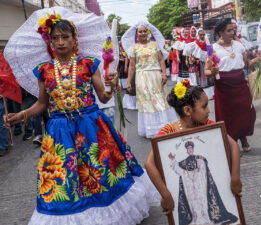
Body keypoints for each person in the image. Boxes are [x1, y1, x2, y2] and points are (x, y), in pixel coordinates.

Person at [4, 10, 159, 224]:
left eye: (65, 37)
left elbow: (104, 98)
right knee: (65, 182)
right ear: (48, 41)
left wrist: (112, 84)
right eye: (55, 38)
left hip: (91, 127)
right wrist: (20, 115)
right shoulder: (44, 70)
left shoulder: (88, 64)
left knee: (101, 174)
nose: (60, 42)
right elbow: (42, 104)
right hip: (59, 132)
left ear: (74, 39)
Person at [144, 79, 242, 217]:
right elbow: (149, 164)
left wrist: (235, 178)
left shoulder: (210, 125)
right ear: (188, 110)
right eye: (204, 106)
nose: (208, 110)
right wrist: (166, 194)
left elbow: (233, 147)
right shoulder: (168, 132)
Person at [205, 18, 256, 152]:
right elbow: (206, 71)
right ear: (221, 32)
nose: (232, 32)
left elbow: (247, 64)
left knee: (246, 112)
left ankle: (243, 138)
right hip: (223, 86)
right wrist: (212, 71)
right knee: (228, 115)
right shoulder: (212, 49)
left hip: (240, 83)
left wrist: (258, 59)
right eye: (229, 30)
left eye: (233, 29)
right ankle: (231, 143)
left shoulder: (239, 45)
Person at [122, 21, 177, 138]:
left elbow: (161, 60)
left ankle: (165, 127)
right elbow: (132, 67)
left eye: (144, 31)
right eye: (140, 31)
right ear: (136, 34)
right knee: (147, 102)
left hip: (156, 76)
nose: (142, 33)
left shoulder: (155, 44)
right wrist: (128, 82)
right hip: (141, 78)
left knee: (160, 100)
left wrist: (163, 74)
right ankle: (152, 129)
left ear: (148, 32)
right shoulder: (134, 48)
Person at [168, 140, 238, 224]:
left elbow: (203, 169)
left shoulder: (200, 158)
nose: (189, 150)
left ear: (193, 149)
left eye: (191, 148)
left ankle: (207, 218)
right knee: (194, 204)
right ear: (186, 150)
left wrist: (198, 170)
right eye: (188, 148)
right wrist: (173, 160)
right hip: (191, 188)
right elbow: (179, 170)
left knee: (204, 201)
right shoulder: (184, 162)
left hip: (201, 185)